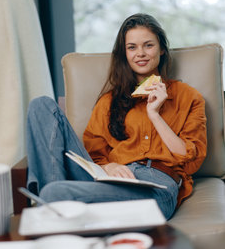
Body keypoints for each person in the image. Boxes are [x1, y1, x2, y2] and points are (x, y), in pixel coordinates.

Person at [26, 13, 207, 219]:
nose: (140, 53)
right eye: (132, 47)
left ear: (162, 49)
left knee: (54, 192)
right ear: (124, 53)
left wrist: (154, 114)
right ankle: (55, 202)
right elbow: (94, 155)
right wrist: (109, 166)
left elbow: (192, 162)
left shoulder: (188, 97)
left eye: (148, 45)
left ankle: (52, 205)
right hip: (106, 180)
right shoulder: (109, 102)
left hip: (156, 188)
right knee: (41, 105)